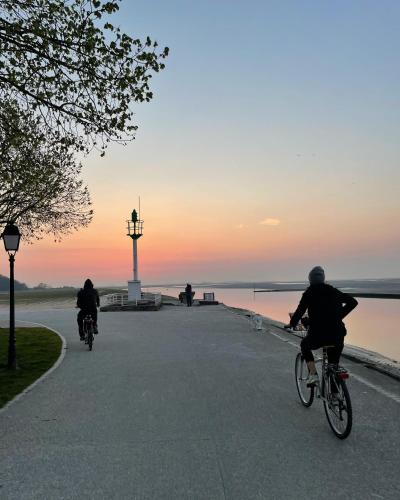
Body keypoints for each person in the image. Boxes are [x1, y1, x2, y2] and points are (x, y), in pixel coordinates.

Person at [285, 266, 358, 386]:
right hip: (337, 335)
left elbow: (300, 311)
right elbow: (353, 302)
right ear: (323, 278)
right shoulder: (333, 291)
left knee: (304, 345)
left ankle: (313, 375)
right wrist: (338, 316)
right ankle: (335, 397)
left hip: (318, 336)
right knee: (333, 366)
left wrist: (292, 323)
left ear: (310, 280)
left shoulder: (309, 293)